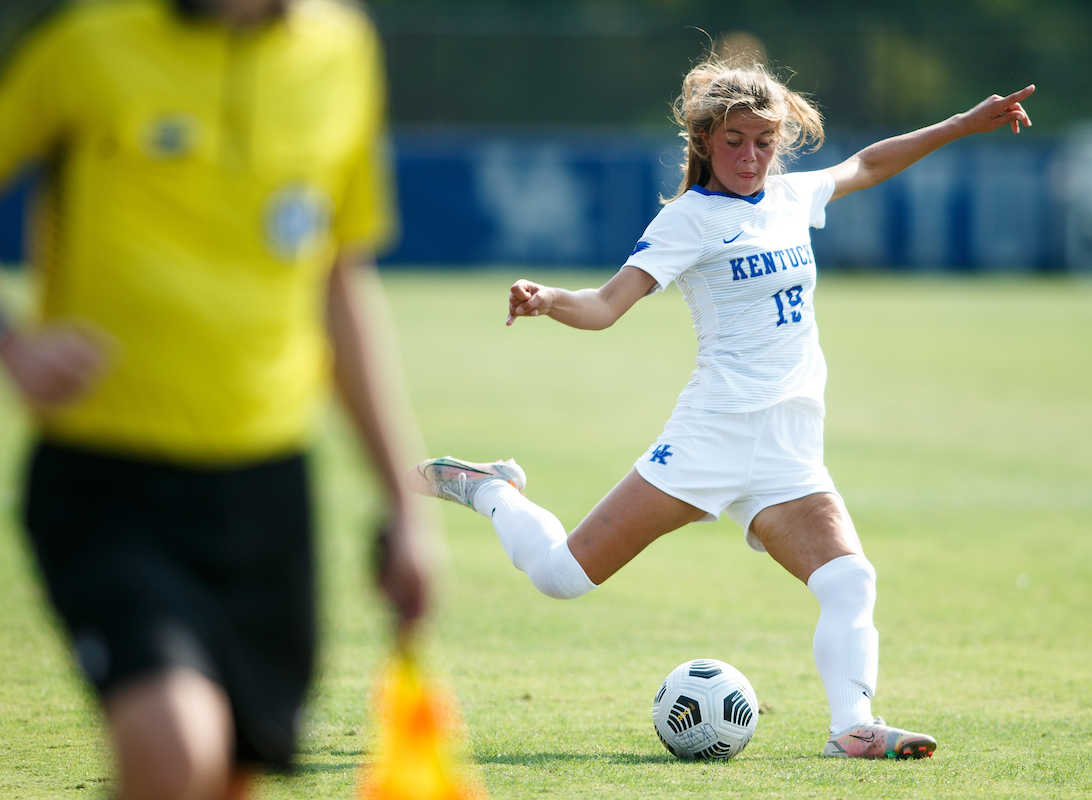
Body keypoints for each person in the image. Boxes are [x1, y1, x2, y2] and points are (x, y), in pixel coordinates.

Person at [410, 54, 1034, 760]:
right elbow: (608, 305)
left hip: (789, 448)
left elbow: (864, 164)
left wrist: (962, 122)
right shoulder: (690, 221)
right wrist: (548, 299)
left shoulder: (792, 198)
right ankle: (490, 489)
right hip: (710, 437)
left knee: (850, 579)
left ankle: (852, 725)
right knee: (561, 577)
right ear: (705, 141)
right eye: (734, 141)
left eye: (763, 142)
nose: (750, 156)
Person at [0, 0, 435, 798]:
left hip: (266, 489)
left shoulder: (340, 50)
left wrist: (406, 506)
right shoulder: (85, 35)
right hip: (110, 479)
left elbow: (339, 279)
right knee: (174, 747)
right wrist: (4, 340)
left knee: (223, 776)